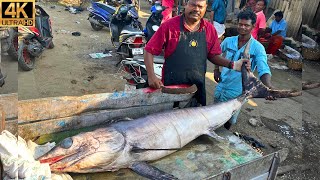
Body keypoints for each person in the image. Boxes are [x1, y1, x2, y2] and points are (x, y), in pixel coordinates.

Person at [144, 0, 250, 106]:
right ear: (186, 4)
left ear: (205, 8)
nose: (196, 9)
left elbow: (213, 55)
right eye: (193, 5)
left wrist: (233, 64)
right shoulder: (169, 26)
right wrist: (151, 76)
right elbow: (148, 50)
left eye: (200, 6)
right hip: (171, 87)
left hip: (196, 87)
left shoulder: (209, 29)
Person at [214, 10, 274, 130]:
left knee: (229, 120)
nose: (242, 27)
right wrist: (216, 69)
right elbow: (216, 55)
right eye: (240, 24)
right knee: (214, 115)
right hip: (222, 85)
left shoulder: (258, 48)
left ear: (253, 27)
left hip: (238, 92)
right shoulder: (228, 41)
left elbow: (263, 69)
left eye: (246, 25)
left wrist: (268, 87)